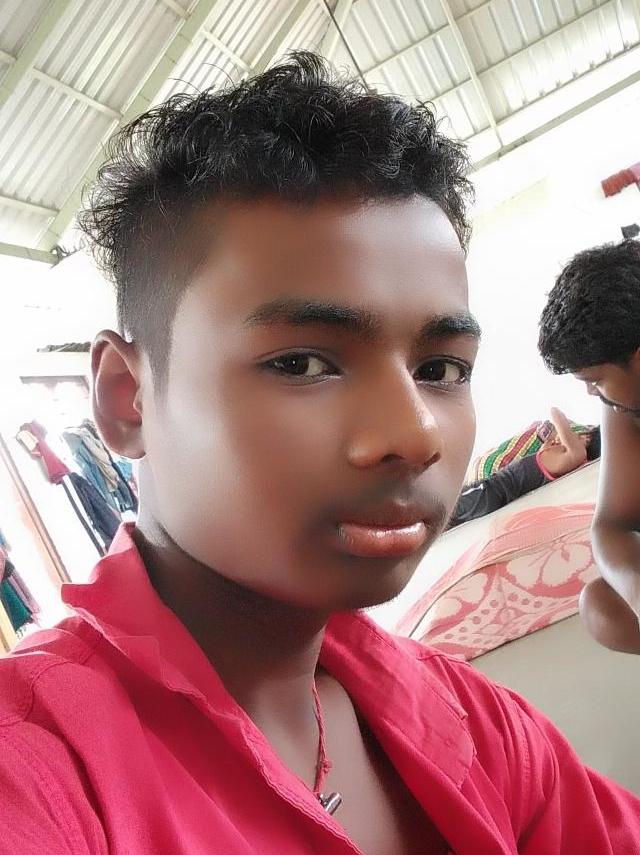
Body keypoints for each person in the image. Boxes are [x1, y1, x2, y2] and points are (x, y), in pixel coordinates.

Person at [0, 54, 638, 855]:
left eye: (441, 369)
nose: (414, 434)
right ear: (128, 398)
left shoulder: (477, 725)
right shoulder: (40, 774)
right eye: (303, 362)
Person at [539, 239, 640, 654]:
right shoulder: (624, 405)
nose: (592, 393)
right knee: (602, 606)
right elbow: (611, 525)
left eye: (595, 380)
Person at [449, 407, 598, 527]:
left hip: (494, 489)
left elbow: (556, 413)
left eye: (584, 435)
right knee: (451, 515)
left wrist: (568, 434)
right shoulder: (564, 458)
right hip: (498, 491)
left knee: (449, 507)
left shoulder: (576, 454)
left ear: (589, 440)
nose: (581, 434)